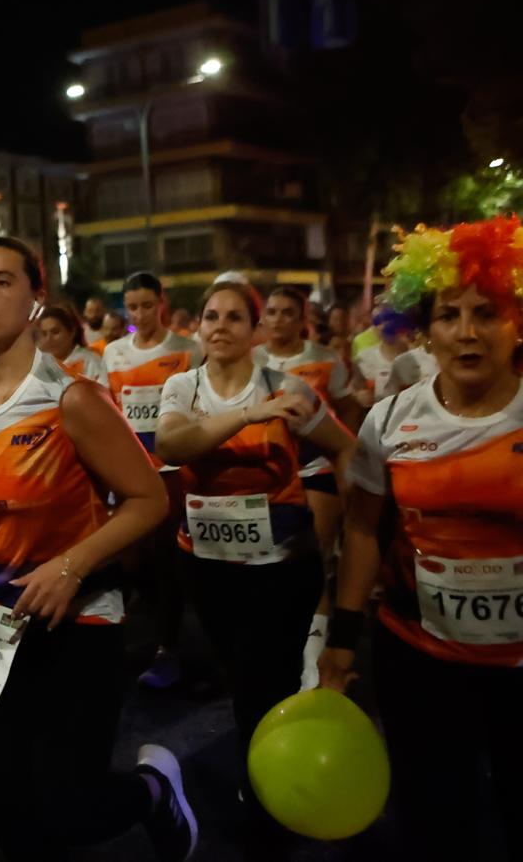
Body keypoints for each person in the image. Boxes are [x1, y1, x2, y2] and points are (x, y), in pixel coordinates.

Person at [0, 238, 194, 862]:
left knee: (67, 808)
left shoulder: (71, 399)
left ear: (37, 300)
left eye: (3, 281)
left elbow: (149, 499)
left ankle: (152, 791)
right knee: (7, 814)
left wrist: (71, 567)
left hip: (75, 626)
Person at [320, 215, 523, 860]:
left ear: (517, 321)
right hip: (421, 656)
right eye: (448, 315)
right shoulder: (390, 420)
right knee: (436, 821)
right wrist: (341, 640)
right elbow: (362, 529)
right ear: (423, 329)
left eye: (486, 313)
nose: (467, 332)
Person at [155, 281, 355, 820]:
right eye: (211, 316)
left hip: (281, 568)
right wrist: (248, 415)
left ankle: (268, 790)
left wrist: (356, 523)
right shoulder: (183, 387)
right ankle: (271, 769)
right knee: (242, 673)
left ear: (255, 330)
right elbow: (171, 444)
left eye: (234, 317)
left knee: (264, 680)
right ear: (199, 326)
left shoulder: (287, 387)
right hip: (205, 566)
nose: (220, 326)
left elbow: (346, 449)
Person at [253, 286, 361, 687]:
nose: (278, 319)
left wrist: (343, 456)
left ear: (302, 319)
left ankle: (312, 665)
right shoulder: (251, 359)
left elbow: (348, 412)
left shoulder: (326, 359)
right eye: (272, 311)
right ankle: (278, 650)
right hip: (266, 476)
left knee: (313, 559)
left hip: (315, 469)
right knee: (272, 565)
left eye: (287, 312)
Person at [104, 272, 202, 689]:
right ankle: (144, 629)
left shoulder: (188, 350)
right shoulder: (112, 353)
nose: (140, 314)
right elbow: (110, 410)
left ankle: (168, 647)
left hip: (172, 470)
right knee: (129, 558)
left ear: (162, 303)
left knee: (165, 557)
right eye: (132, 307)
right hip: (130, 469)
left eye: (147, 305)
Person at [353, 303, 418, 406]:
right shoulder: (363, 359)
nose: (382, 327)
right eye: (377, 322)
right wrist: (358, 396)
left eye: (388, 321)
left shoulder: (420, 357)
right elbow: (355, 390)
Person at [36, 301, 105, 382]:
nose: (49, 339)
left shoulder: (90, 360)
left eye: (55, 332)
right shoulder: (38, 365)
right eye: (44, 334)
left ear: (72, 332)